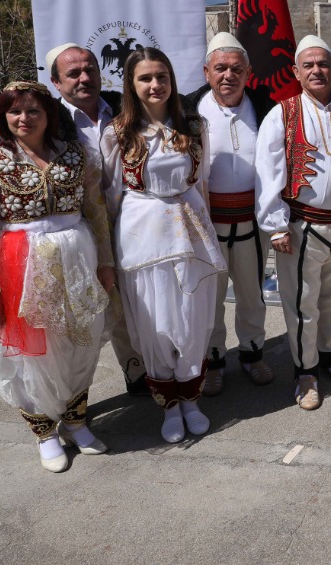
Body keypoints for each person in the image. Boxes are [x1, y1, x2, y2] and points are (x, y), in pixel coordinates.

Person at [0, 81, 115, 471]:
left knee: (79, 341)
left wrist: (105, 263)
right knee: (36, 352)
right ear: (4, 116)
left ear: (49, 115)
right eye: (15, 111)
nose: (23, 118)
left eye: (33, 111)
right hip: (21, 265)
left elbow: (96, 212)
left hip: (77, 259)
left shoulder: (77, 155)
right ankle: (45, 432)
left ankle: (76, 421)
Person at [101, 48, 226, 443]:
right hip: (144, 235)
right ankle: (168, 405)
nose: (155, 85)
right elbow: (111, 194)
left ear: (172, 81)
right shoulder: (118, 133)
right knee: (155, 324)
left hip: (190, 229)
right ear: (131, 85)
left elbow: (201, 181)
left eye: (162, 77)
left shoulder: (194, 125)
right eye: (145, 78)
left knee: (191, 319)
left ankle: (190, 397)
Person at [256, 35, 331, 412]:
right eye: (309, 65)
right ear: (296, 72)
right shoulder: (282, 113)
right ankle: (305, 372)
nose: (317, 70)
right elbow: (268, 173)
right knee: (302, 303)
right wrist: (276, 225)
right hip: (303, 226)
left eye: (323, 64)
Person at [46, 43, 148, 395]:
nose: (85, 78)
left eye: (90, 69)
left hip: (133, 223)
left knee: (136, 299)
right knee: (86, 313)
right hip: (80, 232)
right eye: (73, 73)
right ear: (56, 82)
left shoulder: (126, 107)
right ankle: (76, 396)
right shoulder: (47, 121)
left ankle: (142, 369)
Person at [182, 33, 277, 396]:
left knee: (252, 294)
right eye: (220, 68)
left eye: (236, 69)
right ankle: (215, 360)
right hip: (207, 224)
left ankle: (253, 355)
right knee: (211, 297)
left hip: (253, 222)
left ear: (249, 73)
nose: (228, 75)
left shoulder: (266, 108)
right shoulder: (187, 112)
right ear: (206, 71)